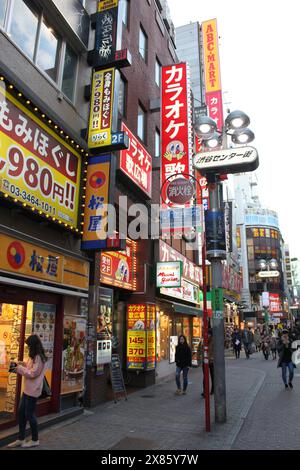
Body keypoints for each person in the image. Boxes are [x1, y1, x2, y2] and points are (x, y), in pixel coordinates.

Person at [8, 334, 47, 448]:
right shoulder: (34, 356)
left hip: (33, 390)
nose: (28, 348)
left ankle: (35, 439)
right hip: (27, 390)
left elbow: (33, 373)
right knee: (21, 413)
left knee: (29, 415)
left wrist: (20, 368)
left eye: (29, 346)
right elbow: (30, 367)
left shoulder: (39, 357)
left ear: (33, 345)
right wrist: (21, 363)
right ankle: (21, 438)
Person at [200, 329, 214, 397]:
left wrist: (212, 358)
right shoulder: (203, 341)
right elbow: (201, 349)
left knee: (212, 375)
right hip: (205, 361)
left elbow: (215, 351)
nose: (207, 335)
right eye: (206, 334)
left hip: (211, 361)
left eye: (208, 334)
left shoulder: (213, 341)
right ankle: (205, 391)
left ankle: (213, 389)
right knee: (205, 376)